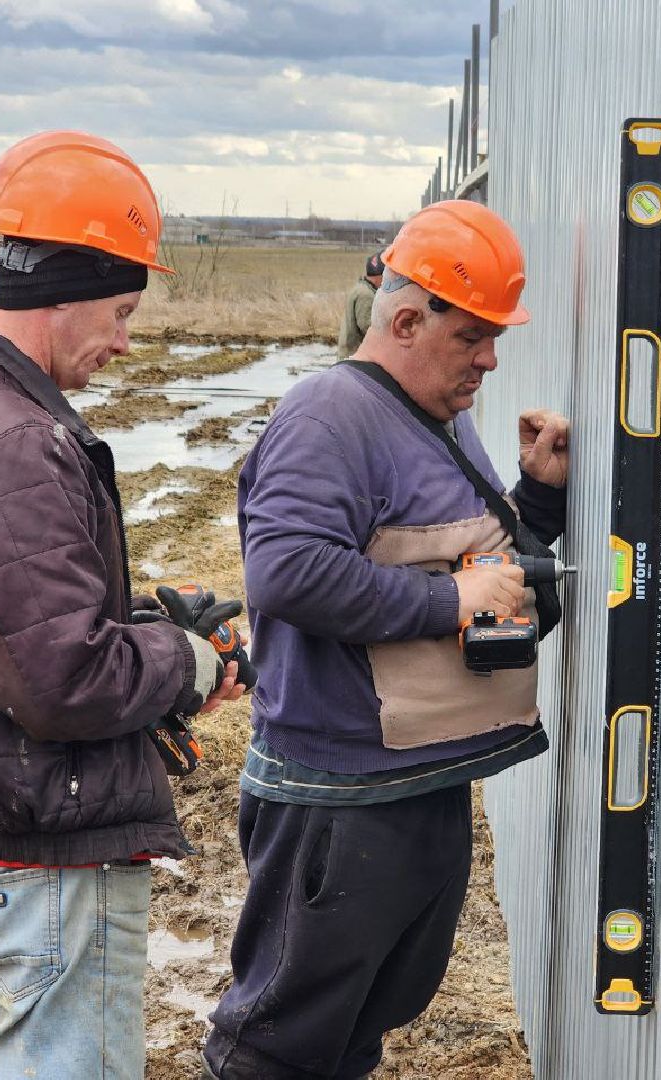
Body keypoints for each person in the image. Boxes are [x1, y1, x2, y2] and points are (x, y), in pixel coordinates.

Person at [0, 130, 246, 1079]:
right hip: (38, 869)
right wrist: (190, 662)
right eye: (119, 310)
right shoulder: (18, 444)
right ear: (62, 293)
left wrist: (141, 628)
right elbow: (61, 680)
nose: (123, 341)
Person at [204, 200, 570, 1079]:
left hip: (417, 781)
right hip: (339, 798)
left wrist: (540, 500)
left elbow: (471, 569)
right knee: (279, 1045)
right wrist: (447, 604)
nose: (489, 358)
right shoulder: (329, 417)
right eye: (472, 336)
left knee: (358, 1025)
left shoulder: (435, 415)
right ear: (406, 319)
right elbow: (287, 573)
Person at [336, 249, 384, 357]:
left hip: (349, 356)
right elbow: (367, 328)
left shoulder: (360, 288)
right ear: (380, 275)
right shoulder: (365, 295)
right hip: (354, 358)